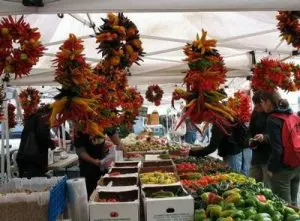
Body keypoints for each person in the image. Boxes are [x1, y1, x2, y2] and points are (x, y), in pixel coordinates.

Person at [259, 90, 300, 206]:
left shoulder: (273, 119)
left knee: (283, 206)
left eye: (262, 102)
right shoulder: (291, 113)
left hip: (283, 169)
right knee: (293, 205)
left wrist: (271, 169)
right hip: (297, 164)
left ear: (268, 102)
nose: (262, 105)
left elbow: (277, 149)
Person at [74, 128, 123, 198]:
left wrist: (119, 143)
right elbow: (80, 151)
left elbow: (112, 132)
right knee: (91, 194)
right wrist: (94, 161)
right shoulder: (80, 127)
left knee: (106, 191)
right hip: (88, 167)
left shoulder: (103, 119)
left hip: (102, 164)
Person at [17, 105, 55, 178]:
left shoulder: (33, 118)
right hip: (34, 159)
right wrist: (51, 143)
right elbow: (41, 135)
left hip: (24, 157)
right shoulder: (43, 118)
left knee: (26, 184)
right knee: (34, 184)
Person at [248, 90, 272, 187]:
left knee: (267, 187)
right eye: (255, 105)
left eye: (259, 105)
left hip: (269, 157)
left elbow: (279, 136)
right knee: (251, 183)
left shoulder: (274, 114)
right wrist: (250, 140)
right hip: (257, 155)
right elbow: (250, 130)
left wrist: (264, 137)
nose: (256, 108)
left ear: (266, 103)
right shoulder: (256, 112)